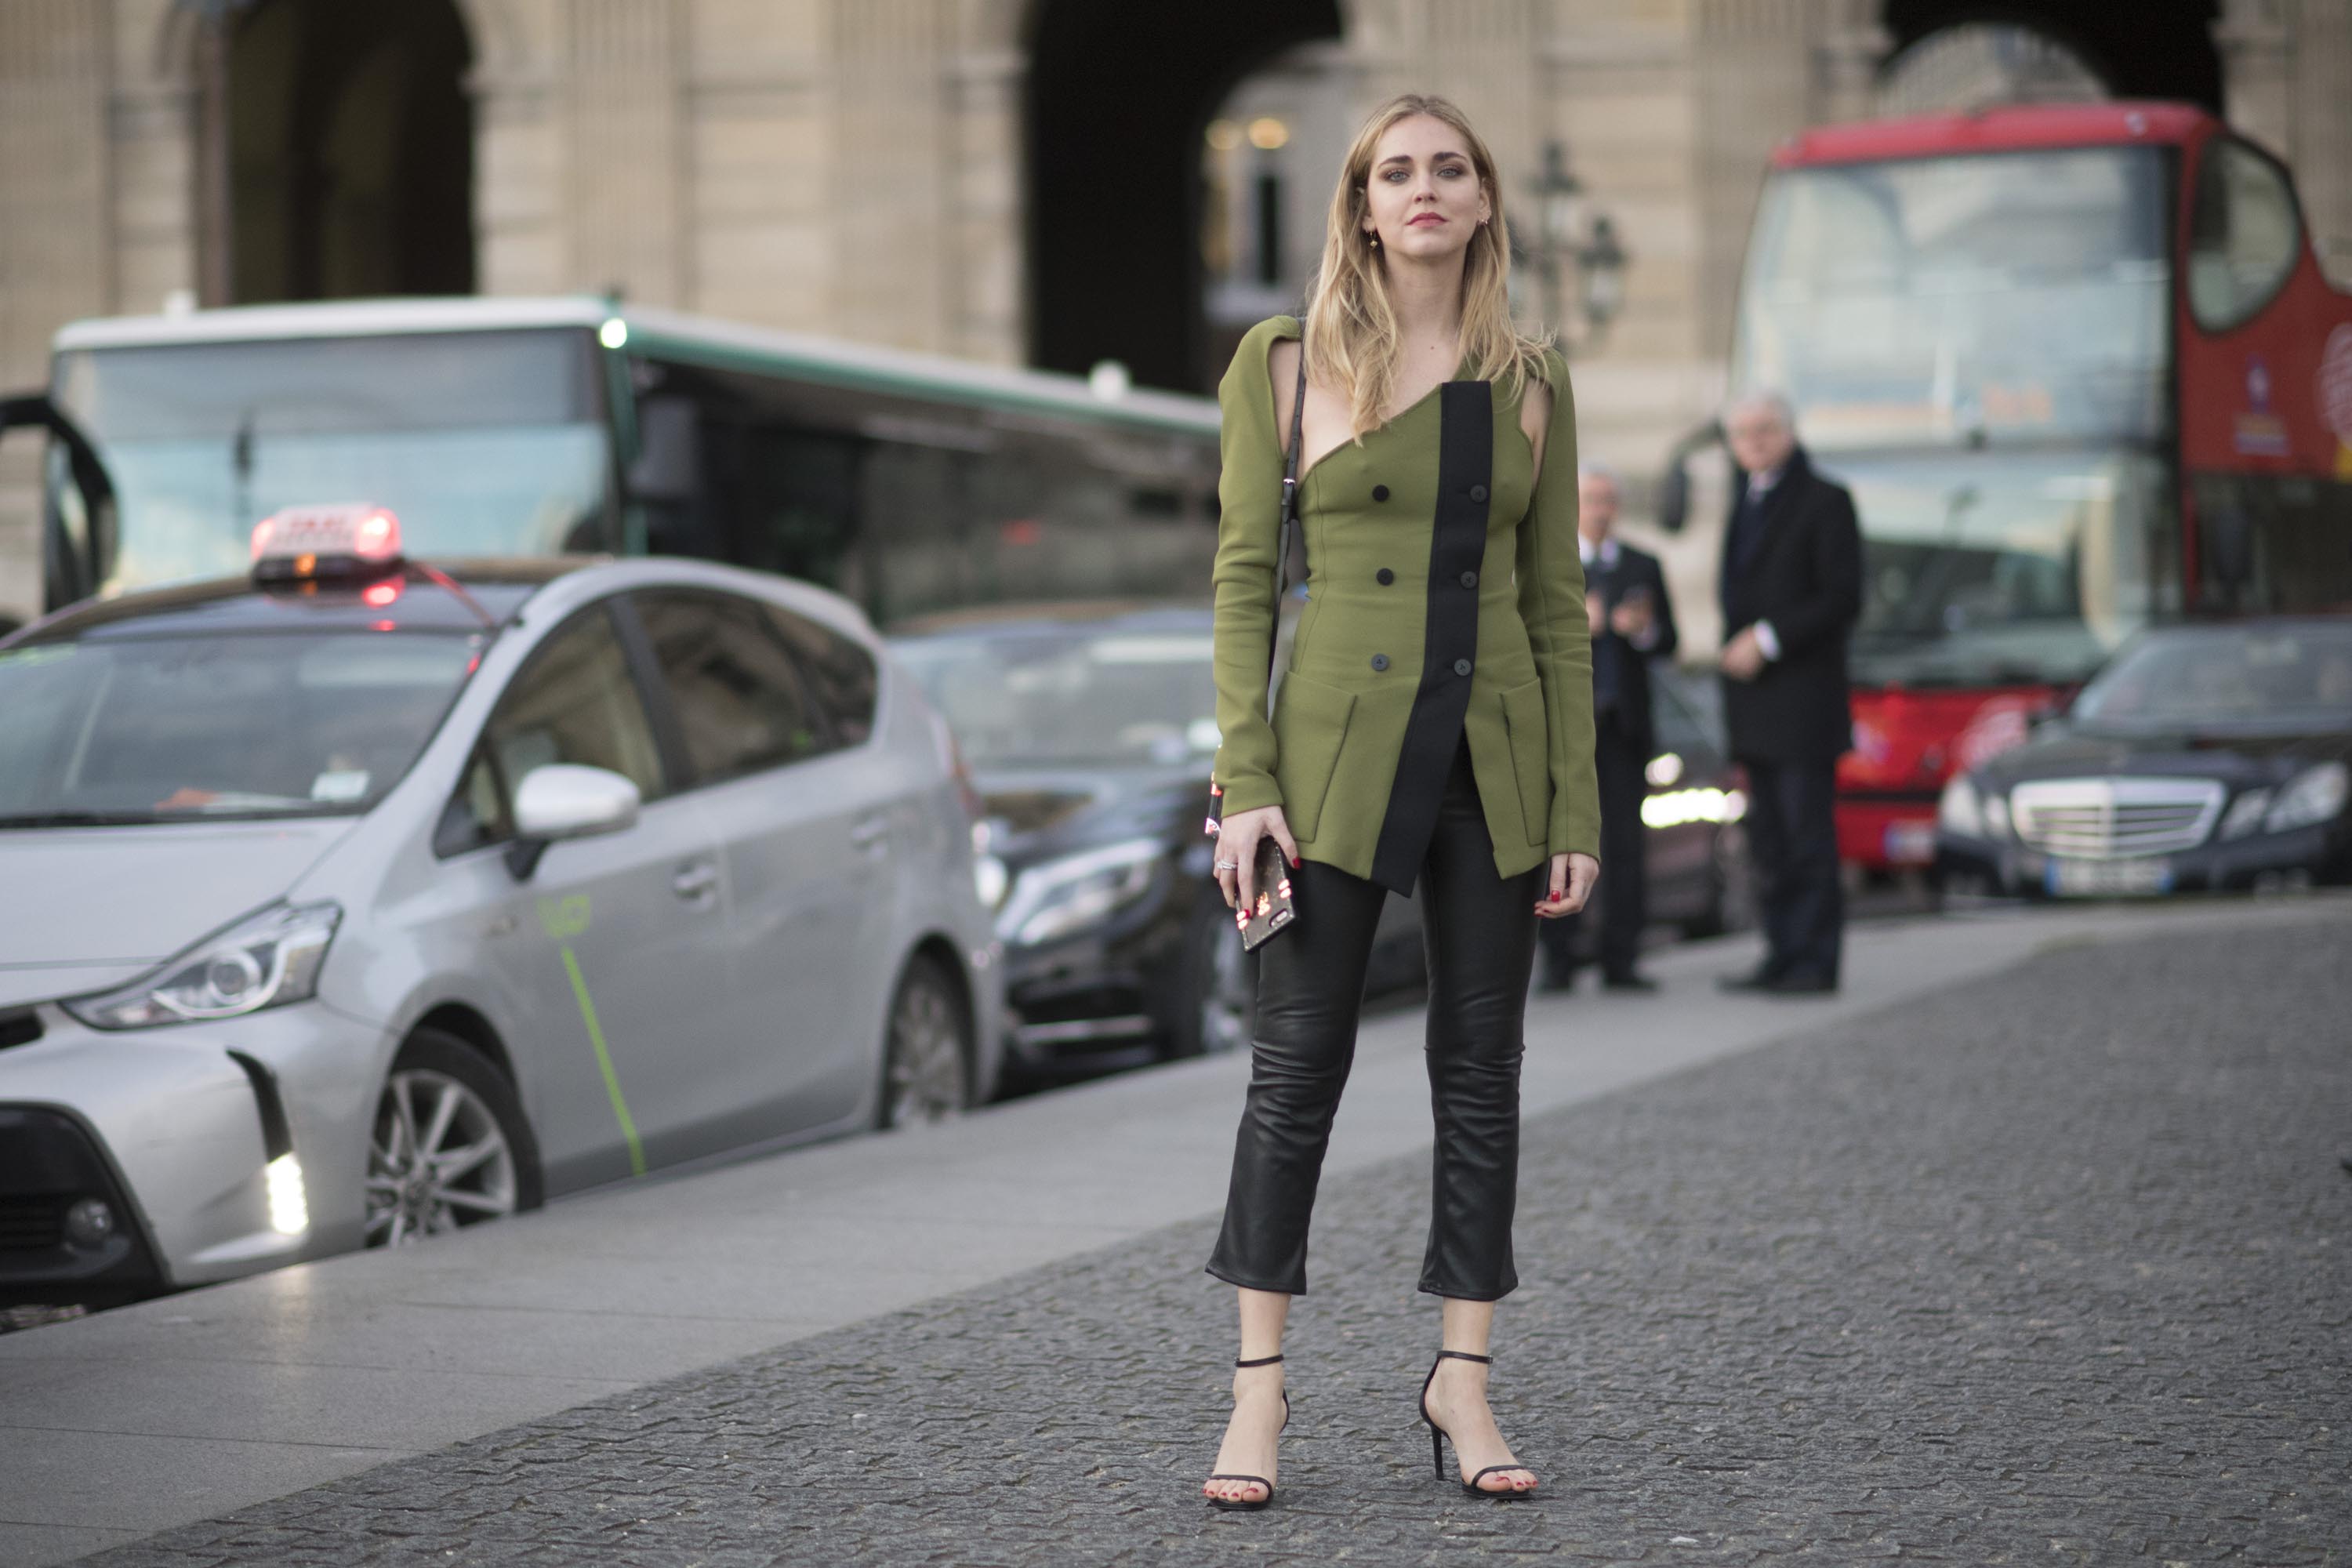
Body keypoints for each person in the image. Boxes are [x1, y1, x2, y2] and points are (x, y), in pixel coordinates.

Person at [1196, 93, 1602, 1511]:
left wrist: (1576, 811)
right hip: (1321, 767)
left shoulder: (1533, 377)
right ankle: (1259, 1395)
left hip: (1491, 760)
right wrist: (1244, 779)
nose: (1423, 191)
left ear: (1485, 200)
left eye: (1449, 169)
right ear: (1361, 206)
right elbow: (1247, 580)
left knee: (1480, 1074)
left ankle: (1463, 1381)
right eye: (1395, 173)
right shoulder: (1286, 362)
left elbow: (1558, 611)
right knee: (1293, 1071)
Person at [1713, 390, 1861, 995]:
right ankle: (1781, 953)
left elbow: (1841, 598)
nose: (1754, 440)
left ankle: (1814, 962)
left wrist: (1767, 640)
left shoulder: (1827, 501)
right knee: (1769, 844)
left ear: (1790, 432)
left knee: (1806, 840)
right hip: (1754, 709)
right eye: (1743, 432)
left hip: (1802, 705)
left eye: (1765, 429)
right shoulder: (1743, 499)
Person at [1537, 462, 1677, 993]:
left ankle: (1622, 958)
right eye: (1591, 498)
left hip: (1623, 730)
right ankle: (1560, 959)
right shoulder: (1550, 562)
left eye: (1609, 500)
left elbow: (1670, 643)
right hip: (1566, 731)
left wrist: (1641, 631)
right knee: (1561, 843)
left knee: (1625, 845)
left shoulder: (1643, 564)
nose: (1601, 509)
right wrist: (1583, 624)